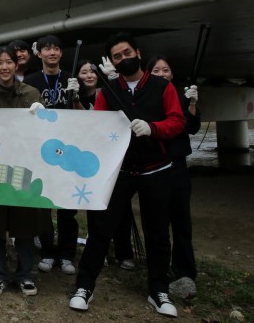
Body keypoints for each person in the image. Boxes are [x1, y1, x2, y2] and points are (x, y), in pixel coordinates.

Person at [70, 33, 185, 317]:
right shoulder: (108, 90)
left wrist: (154, 128)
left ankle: (158, 290)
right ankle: (85, 285)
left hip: (156, 168)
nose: (124, 59)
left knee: (157, 232)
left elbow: (177, 121)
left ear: (138, 52)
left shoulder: (161, 86)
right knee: (101, 229)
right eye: (117, 56)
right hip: (120, 169)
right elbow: (97, 123)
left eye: (127, 53)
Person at [0, 46, 45, 296]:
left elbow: (45, 129)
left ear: (16, 65)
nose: (4, 67)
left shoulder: (32, 93)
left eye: (9, 62)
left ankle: (25, 274)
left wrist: (43, 114)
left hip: (24, 165)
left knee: (25, 222)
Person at [23, 35, 82, 276]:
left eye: (56, 48)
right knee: (43, 204)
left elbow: (87, 117)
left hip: (69, 151)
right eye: (47, 49)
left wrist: (77, 97)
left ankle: (67, 254)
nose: (52, 52)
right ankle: (47, 251)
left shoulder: (71, 79)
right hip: (42, 150)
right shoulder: (31, 81)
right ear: (39, 54)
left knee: (68, 206)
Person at [148, 55, 201, 300]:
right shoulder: (146, 97)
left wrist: (191, 104)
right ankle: (157, 269)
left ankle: (185, 271)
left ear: (172, 74)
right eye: (156, 70)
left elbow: (191, 127)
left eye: (165, 70)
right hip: (155, 166)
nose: (161, 73)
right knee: (157, 222)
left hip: (177, 166)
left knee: (181, 221)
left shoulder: (181, 96)